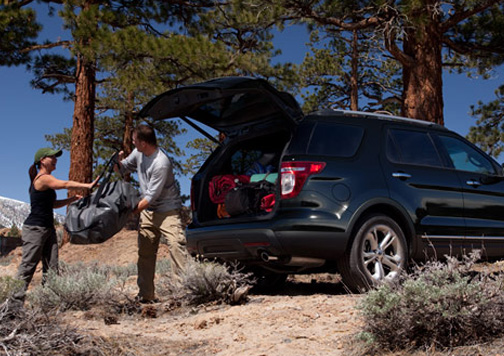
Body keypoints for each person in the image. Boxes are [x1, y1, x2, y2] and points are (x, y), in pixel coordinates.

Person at [15, 147, 99, 301]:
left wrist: (71, 200)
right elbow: (65, 184)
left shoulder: (44, 180)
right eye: (52, 157)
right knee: (28, 266)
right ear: (42, 160)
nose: (55, 160)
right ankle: (13, 304)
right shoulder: (42, 178)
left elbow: (52, 204)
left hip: (48, 228)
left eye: (56, 157)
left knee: (52, 267)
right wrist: (87, 185)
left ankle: (48, 301)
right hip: (35, 229)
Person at [117, 124, 186, 303]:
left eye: (135, 140)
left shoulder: (161, 162)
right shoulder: (138, 153)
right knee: (145, 252)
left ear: (144, 143)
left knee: (176, 245)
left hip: (167, 210)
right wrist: (118, 163)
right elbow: (124, 168)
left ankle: (183, 293)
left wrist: (130, 213)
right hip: (148, 211)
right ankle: (145, 295)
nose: (132, 142)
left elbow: (151, 196)